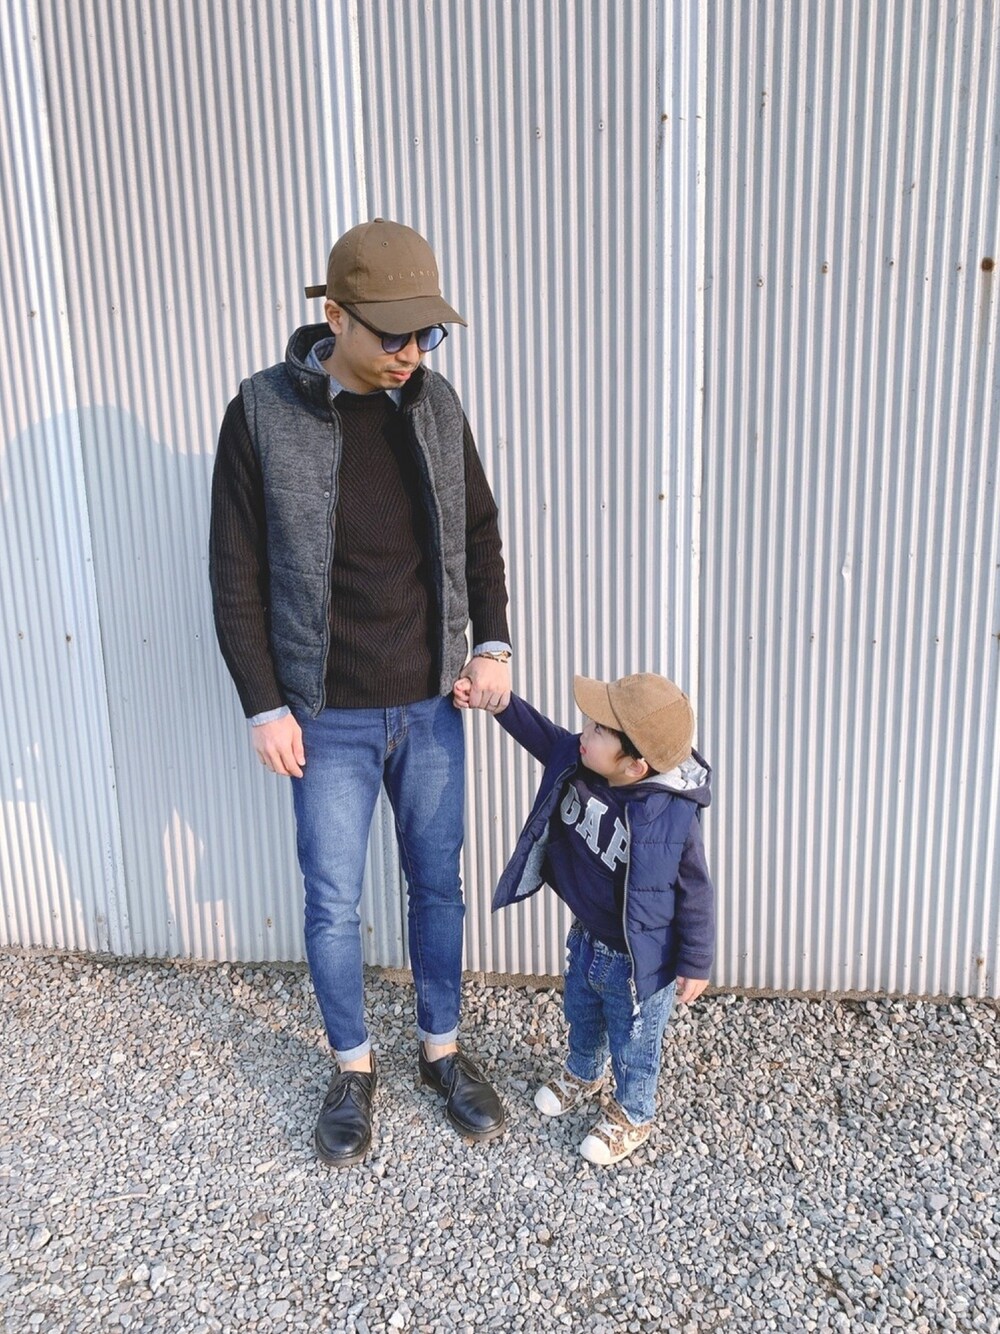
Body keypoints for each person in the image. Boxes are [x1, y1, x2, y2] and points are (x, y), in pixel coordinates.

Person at [210, 219, 512, 1166]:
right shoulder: (261, 413)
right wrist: (263, 703)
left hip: (431, 704)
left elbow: (479, 532)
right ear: (335, 316)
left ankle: (441, 1051)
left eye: (428, 334)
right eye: (394, 334)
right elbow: (234, 573)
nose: (412, 352)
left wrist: (492, 643)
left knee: (437, 886)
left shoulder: (434, 402)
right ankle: (352, 1067)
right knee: (333, 901)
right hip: (325, 716)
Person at [455, 671, 714, 1164]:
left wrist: (696, 961)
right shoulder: (580, 762)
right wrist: (499, 703)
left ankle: (634, 1112)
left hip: (640, 964)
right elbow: (541, 734)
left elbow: (696, 892)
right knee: (582, 1013)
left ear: (635, 766)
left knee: (634, 1042)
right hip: (587, 937)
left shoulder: (671, 818)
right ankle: (583, 1071)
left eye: (598, 730)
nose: (584, 732)